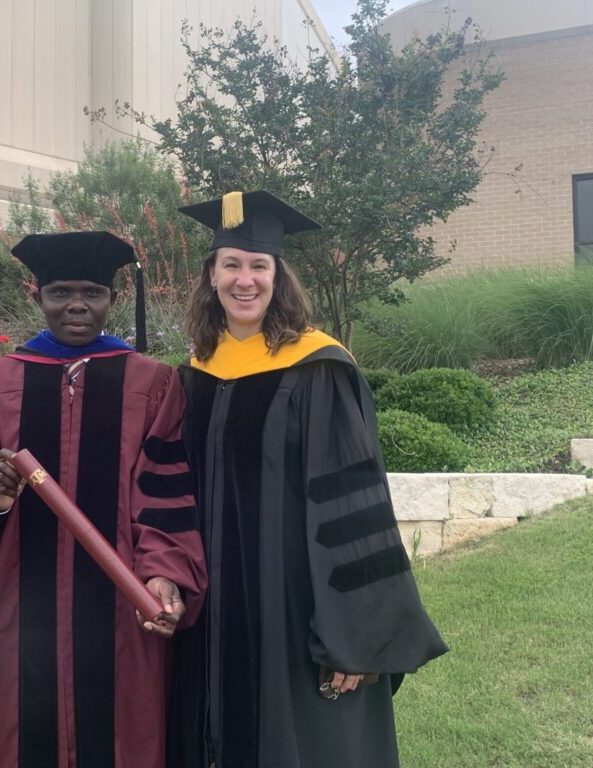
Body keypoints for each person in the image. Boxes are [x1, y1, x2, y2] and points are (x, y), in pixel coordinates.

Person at [169, 192, 448, 767]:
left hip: (294, 606)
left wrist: (354, 636)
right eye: (231, 265)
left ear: (278, 276)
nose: (244, 280)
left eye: (258, 266)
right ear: (211, 276)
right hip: (212, 610)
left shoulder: (317, 368)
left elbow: (356, 506)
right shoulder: (193, 372)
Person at [0, 230, 207, 768]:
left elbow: (169, 493)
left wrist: (164, 574)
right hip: (17, 606)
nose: (77, 305)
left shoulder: (154, 385)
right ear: (38, 299)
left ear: (113, 301)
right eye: (61, 293)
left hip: (122, 610)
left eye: (92, 293)